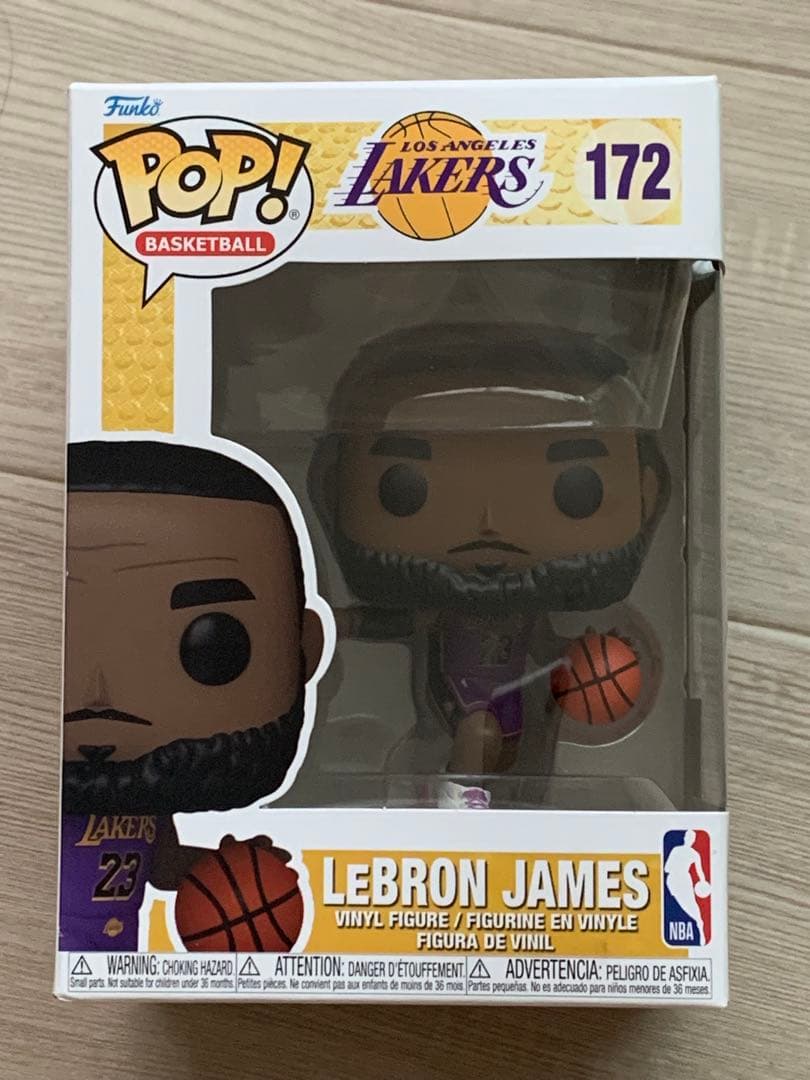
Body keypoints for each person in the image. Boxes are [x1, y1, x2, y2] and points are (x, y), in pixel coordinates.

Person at [314, 322, 668, 807]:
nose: (488, 526)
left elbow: (548, 648)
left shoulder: (525, 611)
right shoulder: (440, 610)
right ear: (334, 486)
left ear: (647, 491)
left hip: (516, 703)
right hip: (455, 697)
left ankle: (493, 805)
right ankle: (461, 797)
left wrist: (589, 659)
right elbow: (400, 622)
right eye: (404, 490)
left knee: (518, 758)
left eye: (576, 491)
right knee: (477, 733)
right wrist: (343, 621)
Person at [60, 440, 324, 949]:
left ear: (303, 650)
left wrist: (226, 872)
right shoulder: (37, 800)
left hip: (114, 962)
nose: (99, 697)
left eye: (212, 643)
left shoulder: (140, 790)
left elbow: (162, 867)